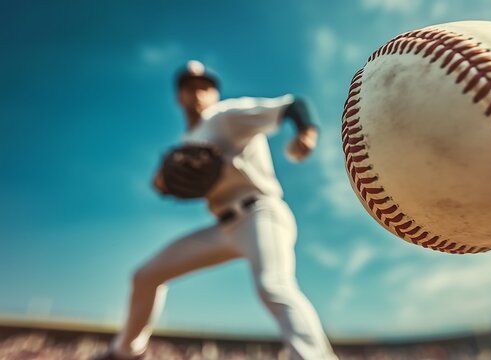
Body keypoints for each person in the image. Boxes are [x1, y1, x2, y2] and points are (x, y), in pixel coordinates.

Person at [93, 60, 336, 360]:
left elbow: (294, 104)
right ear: (179, 97)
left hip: (261, 214)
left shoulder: (226, 115)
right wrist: (165, 184)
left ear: (215, 92)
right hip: (223, 228)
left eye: (205, 86)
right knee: (145, 276)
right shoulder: (186, 141)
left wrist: (306, 133)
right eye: (189, 87)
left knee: (273, 285)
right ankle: (125, 353)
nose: (197, 92)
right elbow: (173, 183)